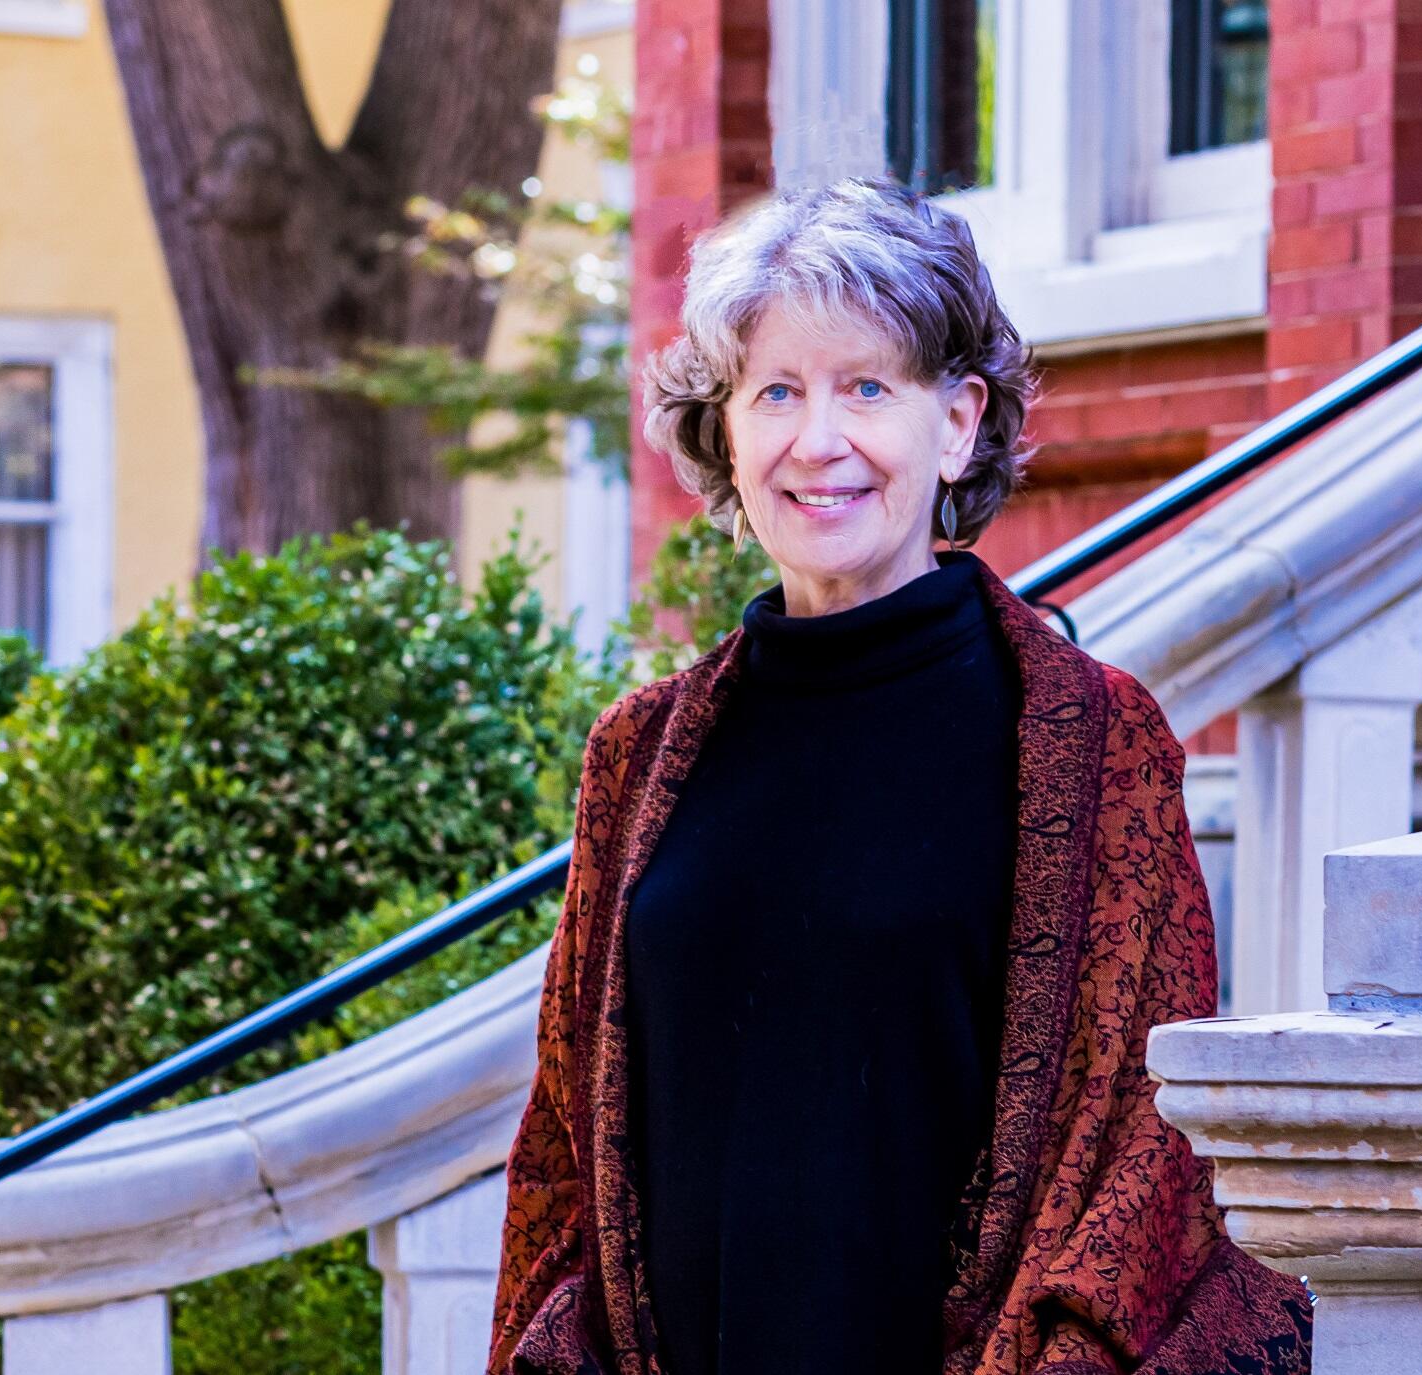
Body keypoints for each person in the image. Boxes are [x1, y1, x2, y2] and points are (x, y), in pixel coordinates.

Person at [484, 178, 1313, 1375]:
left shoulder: (1089, 740)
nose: (817, 441)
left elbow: (1139, 1151)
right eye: (776, 391)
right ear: (726, 431)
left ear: (959, 420)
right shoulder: (642, 752)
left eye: (866, 386)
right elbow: (565, 1146)